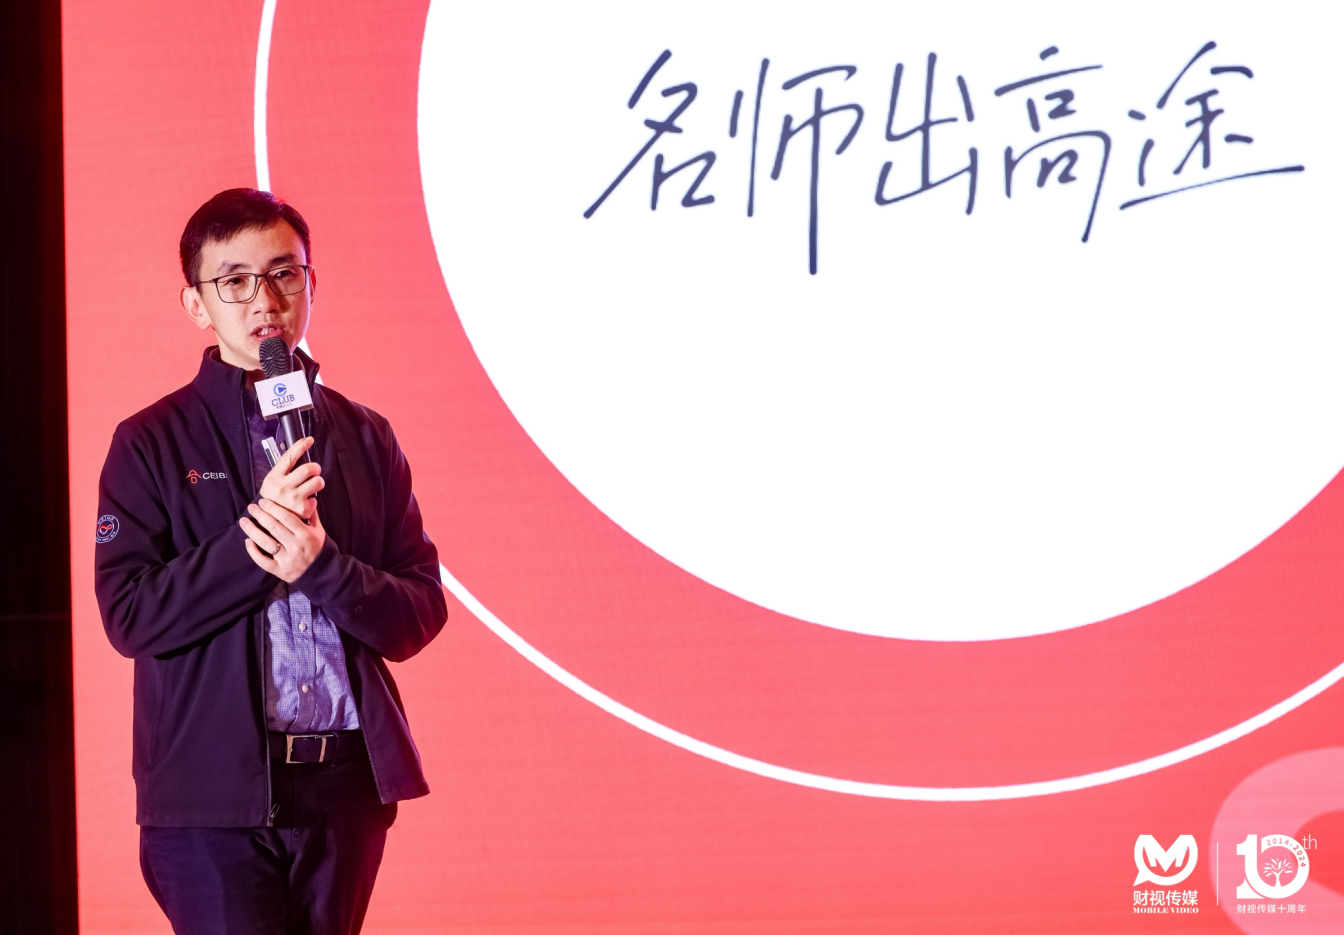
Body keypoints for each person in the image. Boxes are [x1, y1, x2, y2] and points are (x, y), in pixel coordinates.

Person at [94, 188, 447, 934]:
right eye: (236, 281)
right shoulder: (149, 441)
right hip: (210, 800)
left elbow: (418, 612)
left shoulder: (366, 435)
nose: (266, 300)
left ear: (311, 283)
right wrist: (260, 538)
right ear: (197, 304)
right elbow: (129, 614)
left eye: (285, 273)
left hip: (343, 792)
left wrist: (322, 566)